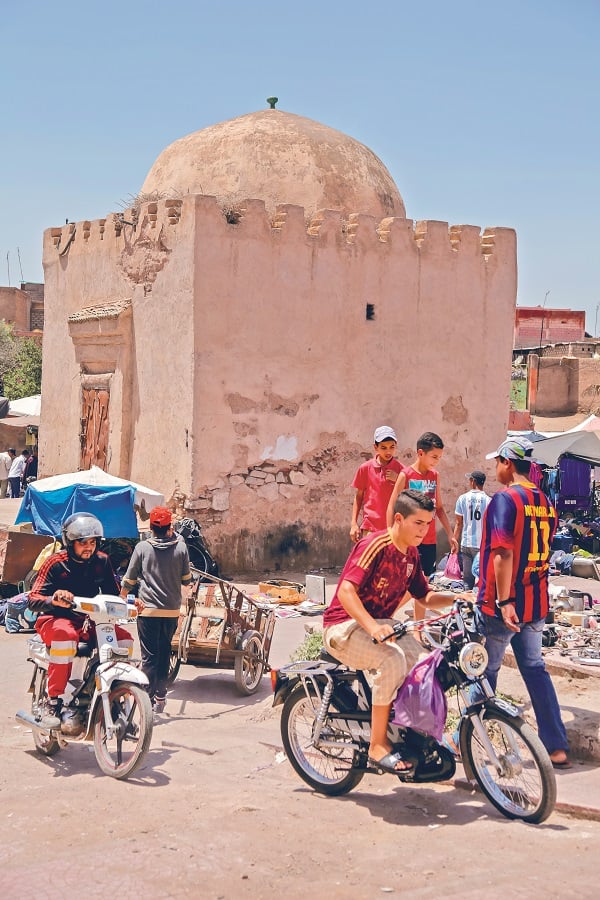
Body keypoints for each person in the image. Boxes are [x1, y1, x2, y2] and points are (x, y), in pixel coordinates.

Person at [324, 489, 463, 774]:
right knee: (392, 660)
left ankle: (411, 734)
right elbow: (347, 591)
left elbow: (424, 596)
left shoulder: (411, 555)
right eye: (418, 524)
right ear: (399, 519)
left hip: (380, 626)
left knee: (427, 663)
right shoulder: (375, 545)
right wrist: (373, 626)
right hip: (343, 626)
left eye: (428, 524)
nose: (425, 531)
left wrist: (460, 598)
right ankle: (377, 745)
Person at [477, 436, 570, 769]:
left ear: (506, 463)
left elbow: (503, 552)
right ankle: (556, 746)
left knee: (483, 672)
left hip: (504, 605)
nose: (495, 470)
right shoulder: (544, 501)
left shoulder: (505, 500)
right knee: (535, 670)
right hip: (536, 601)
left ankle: (475, 742)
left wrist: (504, 601)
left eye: (496, 464)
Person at [28, 512, 134, 733]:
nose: (89, 547)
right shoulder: (55, 563)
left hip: (89, 620)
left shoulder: (102, 562)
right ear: (70, 542)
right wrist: (53, 599)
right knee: (65, 637)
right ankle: (54, 702)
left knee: (124, 640)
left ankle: (113, 692)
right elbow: (32, 599)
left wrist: (130, 604)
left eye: (93, 542)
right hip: (55, 620)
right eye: (83, 542)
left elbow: (112, 596)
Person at [120, 506, 192, 714]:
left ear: (151, 527)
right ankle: (160, 696)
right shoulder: (181, 548)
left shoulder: (142, 548)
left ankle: (147, 699)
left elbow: (130, 578)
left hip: (148, 612)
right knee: (163, 654)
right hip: (171, 612)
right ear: (170, 527)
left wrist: (122, 597)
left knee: (149, 657)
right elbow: (186, 579)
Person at [387, 432, 458, 577]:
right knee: (406, 580)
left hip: (429, 539)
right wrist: (390, 533)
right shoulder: (405, 475)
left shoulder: (435, 475)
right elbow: (392, 505)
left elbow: (439, 508)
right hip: (408, 538)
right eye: (434, 457)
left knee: (425, 582)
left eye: (439, 457)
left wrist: (450, 534)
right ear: (420, 453)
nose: (437, 461)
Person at [350, 425, 404, 543]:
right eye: (383, 447)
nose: (388, 451)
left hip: (394, 529)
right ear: (376, 447)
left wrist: (399, 480)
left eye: (392, 447)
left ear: (396, 445)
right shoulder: (365, 468)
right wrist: (354, 523)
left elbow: (409, 495)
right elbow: (359, 497)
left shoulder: (401, 470)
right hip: (370, 528)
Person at [453, 470, 491, 589]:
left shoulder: (462, 499)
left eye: (470, 480)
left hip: (466, 544)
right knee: (481, 578)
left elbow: (458, 523)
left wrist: (454, 542)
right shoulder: (489, 501)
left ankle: (466, 603)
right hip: (481, 545)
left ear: (473, 482)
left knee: (467, 579)